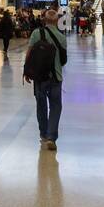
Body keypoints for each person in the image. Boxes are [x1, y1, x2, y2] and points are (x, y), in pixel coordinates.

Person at [24, 8, 67, 151]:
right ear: (56, 21)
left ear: (44, 20)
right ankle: (51, 137)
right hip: (56, 77)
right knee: (55, 106)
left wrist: (26, 71)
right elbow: (63, 61)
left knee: (41, 105)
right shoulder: (61, 37)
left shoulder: (37, 33)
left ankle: (43, 134)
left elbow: (29, 53)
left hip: (39, 77)